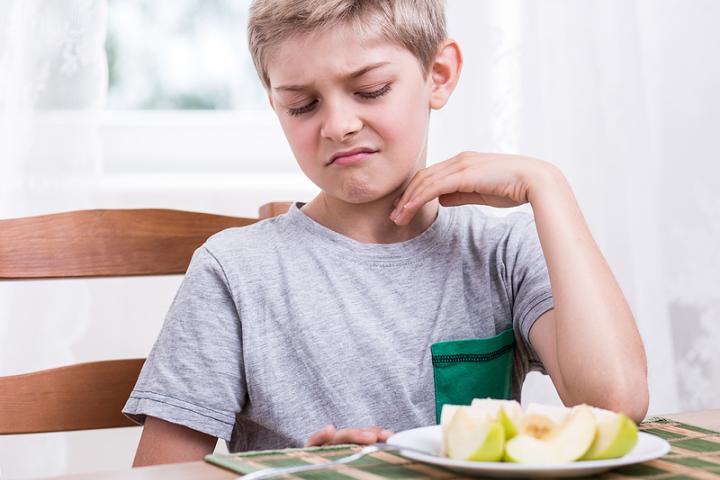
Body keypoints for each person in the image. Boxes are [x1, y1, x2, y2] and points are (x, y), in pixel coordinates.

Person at [124, 0, 649, 466]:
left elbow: (616, 405)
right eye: (302, 106)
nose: (338, 125)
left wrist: (548, 187)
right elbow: (160, 471)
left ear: (438, 74)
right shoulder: (235, 270)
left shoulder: (503, 251)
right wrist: (287, 472)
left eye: (370, 90)